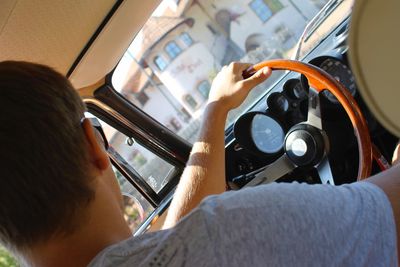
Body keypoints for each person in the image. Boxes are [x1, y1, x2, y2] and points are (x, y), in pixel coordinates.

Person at [0, 60, 398, 267]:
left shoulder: (198, 244)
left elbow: (174, 242)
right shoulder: (236, 232)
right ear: (93, 146)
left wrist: (215, 113)